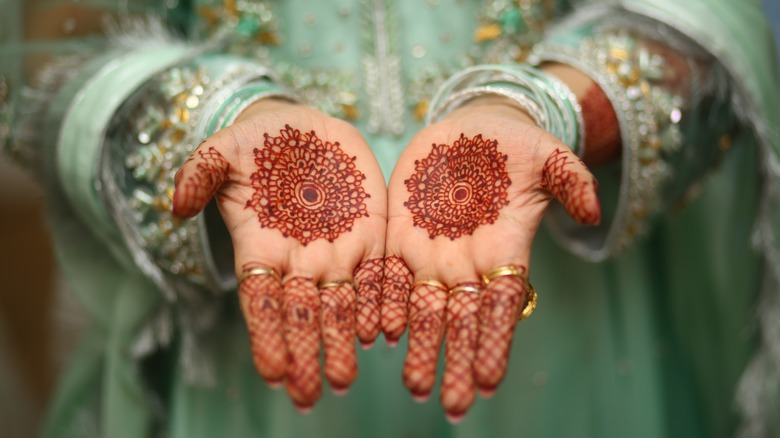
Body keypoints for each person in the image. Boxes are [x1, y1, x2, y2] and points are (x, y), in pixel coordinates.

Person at [1, 0, 778, 436]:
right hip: (253, 313)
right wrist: (217, 116)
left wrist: (547, 106)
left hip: (565, 309)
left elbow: (708, 20)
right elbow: (57, 51)